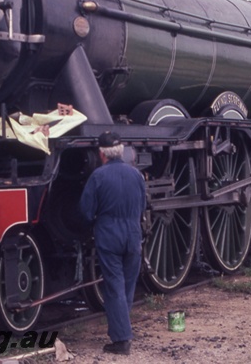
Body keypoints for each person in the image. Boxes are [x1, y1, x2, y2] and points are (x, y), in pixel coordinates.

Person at [79, 131, 146, 355]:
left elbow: (86, 211)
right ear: (121, 151)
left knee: (114, 286)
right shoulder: (136, 175)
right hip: (133, 233)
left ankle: (122, 339)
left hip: (109, 234)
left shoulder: (98, 176)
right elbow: (143, 204)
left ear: (101, 154)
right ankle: (121, 330)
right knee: (127, 285)